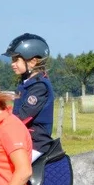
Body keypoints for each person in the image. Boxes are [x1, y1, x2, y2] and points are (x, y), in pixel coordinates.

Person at [3, 33, 55, 162]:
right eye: (12, 60)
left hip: (36, 143)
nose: (12, 64)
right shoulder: (25, 83)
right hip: (21, 139)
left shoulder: (39, 86)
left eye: (16, 60)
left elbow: (22, 117)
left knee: (11, 168)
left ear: (33, 61)